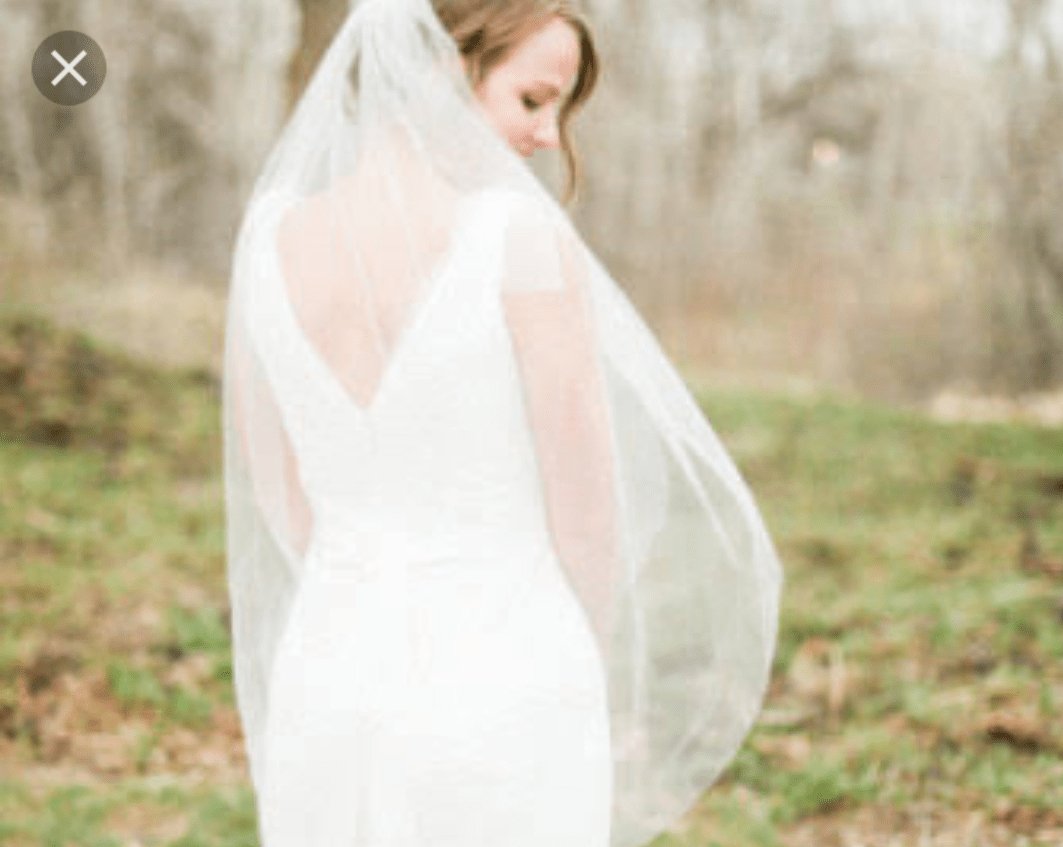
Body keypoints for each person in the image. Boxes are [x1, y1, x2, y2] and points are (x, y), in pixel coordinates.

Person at [221, 1, 784, 845]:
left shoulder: (269, 242)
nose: (549, 136)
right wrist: (579, 655)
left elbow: (277, 487)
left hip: (328, 673)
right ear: (443, 72)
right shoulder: (513, 237)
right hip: (502, 670)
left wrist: (361, 581)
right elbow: (585, 505)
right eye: (532, 99)